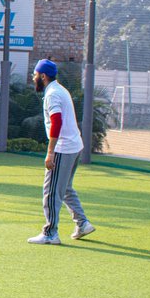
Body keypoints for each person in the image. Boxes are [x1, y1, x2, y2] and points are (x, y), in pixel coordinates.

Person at [28, 59, 96, 245]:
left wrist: (50, 153)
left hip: (63, 149)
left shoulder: (52, 94)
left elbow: (56, 121)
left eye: (35, 75)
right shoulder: (60, 90)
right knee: (64, 188)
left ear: (43, 76)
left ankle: (50, 233)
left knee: (51, 191)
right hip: (74, 146)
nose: (33, 78)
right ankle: (82, 223)